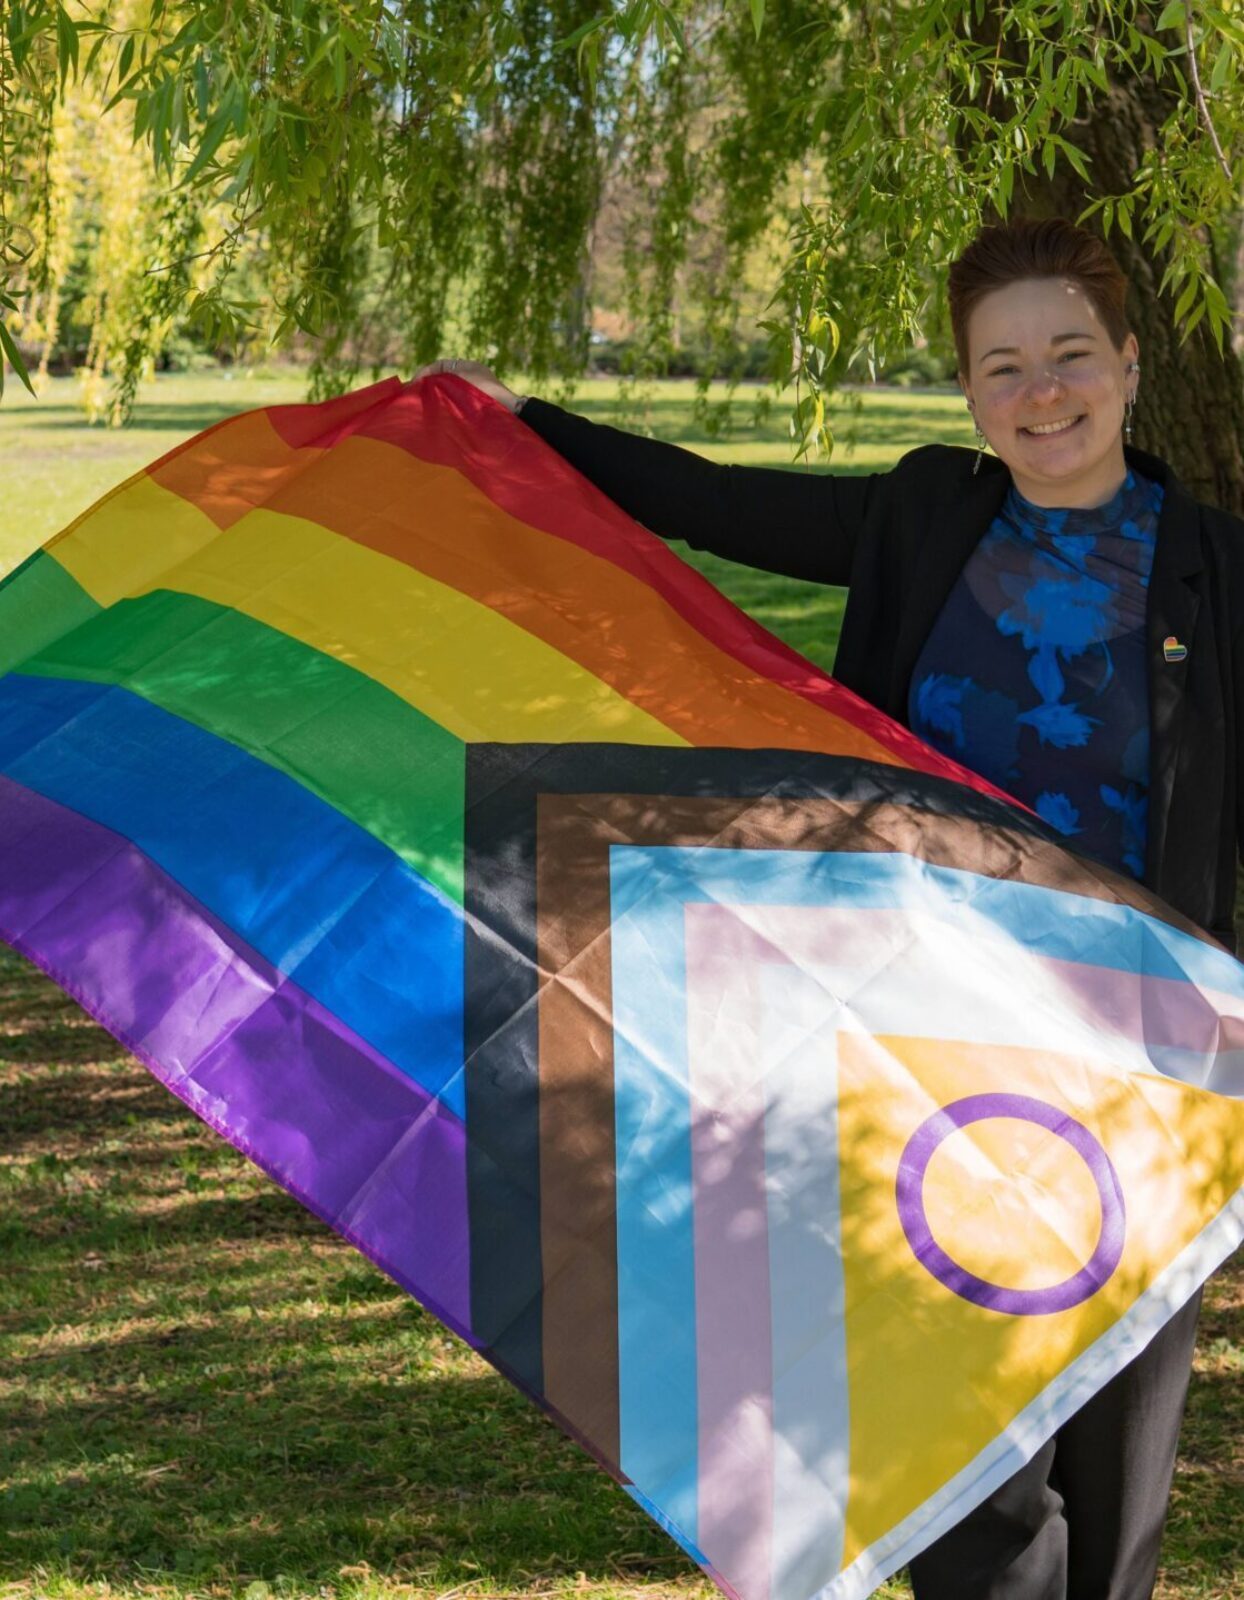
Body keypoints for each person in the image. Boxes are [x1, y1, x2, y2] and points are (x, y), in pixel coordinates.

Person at [415, 217, 1244, 1600]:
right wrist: (526, 426)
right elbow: (707, 499)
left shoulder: (1219, 571)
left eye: (1070, 356)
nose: (1044, 394)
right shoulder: (925, 515)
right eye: (1004, 367)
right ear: (969, 393)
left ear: (1131, 366)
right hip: (918, 1043)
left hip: (1140, 1056)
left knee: (1113, 1453)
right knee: (951, 1437)